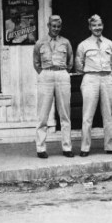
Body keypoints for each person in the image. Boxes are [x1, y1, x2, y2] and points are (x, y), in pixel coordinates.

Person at [74, 15, 112, 157]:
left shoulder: (109, 43)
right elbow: (78, 65)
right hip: (90, 78)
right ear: (90, 27)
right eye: (94, 25)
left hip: (106, 78)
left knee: (108, 114)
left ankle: (110, 145)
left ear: (103, 26)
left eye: (99, 25)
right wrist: (91, 73)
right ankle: (85, 147)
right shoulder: (83, 45)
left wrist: (107, 75)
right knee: (87, 115)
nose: (97, 28)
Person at [33, 15, 74, 159]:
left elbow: (70, 61)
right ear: (48, 25)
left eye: (58, 26)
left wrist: (62, 72)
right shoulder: (40, 42)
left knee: (64, 113)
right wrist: (45, 73)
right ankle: (41, 148)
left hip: (62, 74)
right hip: (46, 74)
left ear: (60, 27)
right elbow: (36, 63)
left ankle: (67, 147)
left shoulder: (66, 42)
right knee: (43, 114)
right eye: (53, 26)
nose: (55, 29)